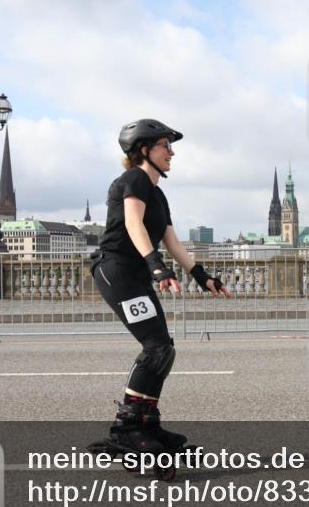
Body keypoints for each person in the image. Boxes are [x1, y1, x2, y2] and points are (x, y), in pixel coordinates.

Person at [90, 118, 231, 455]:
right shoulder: (134, 179)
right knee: (155, 347)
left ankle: (145, 423)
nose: (172, 152)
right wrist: (156, 267)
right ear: (144, 149)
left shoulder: (158, 193)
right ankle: (126, 428)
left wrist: (202, 276)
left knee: (163, 349)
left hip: (136, 273)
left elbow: (173, 241)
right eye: (165, 145)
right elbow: (132, 223)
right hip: (116, 269)